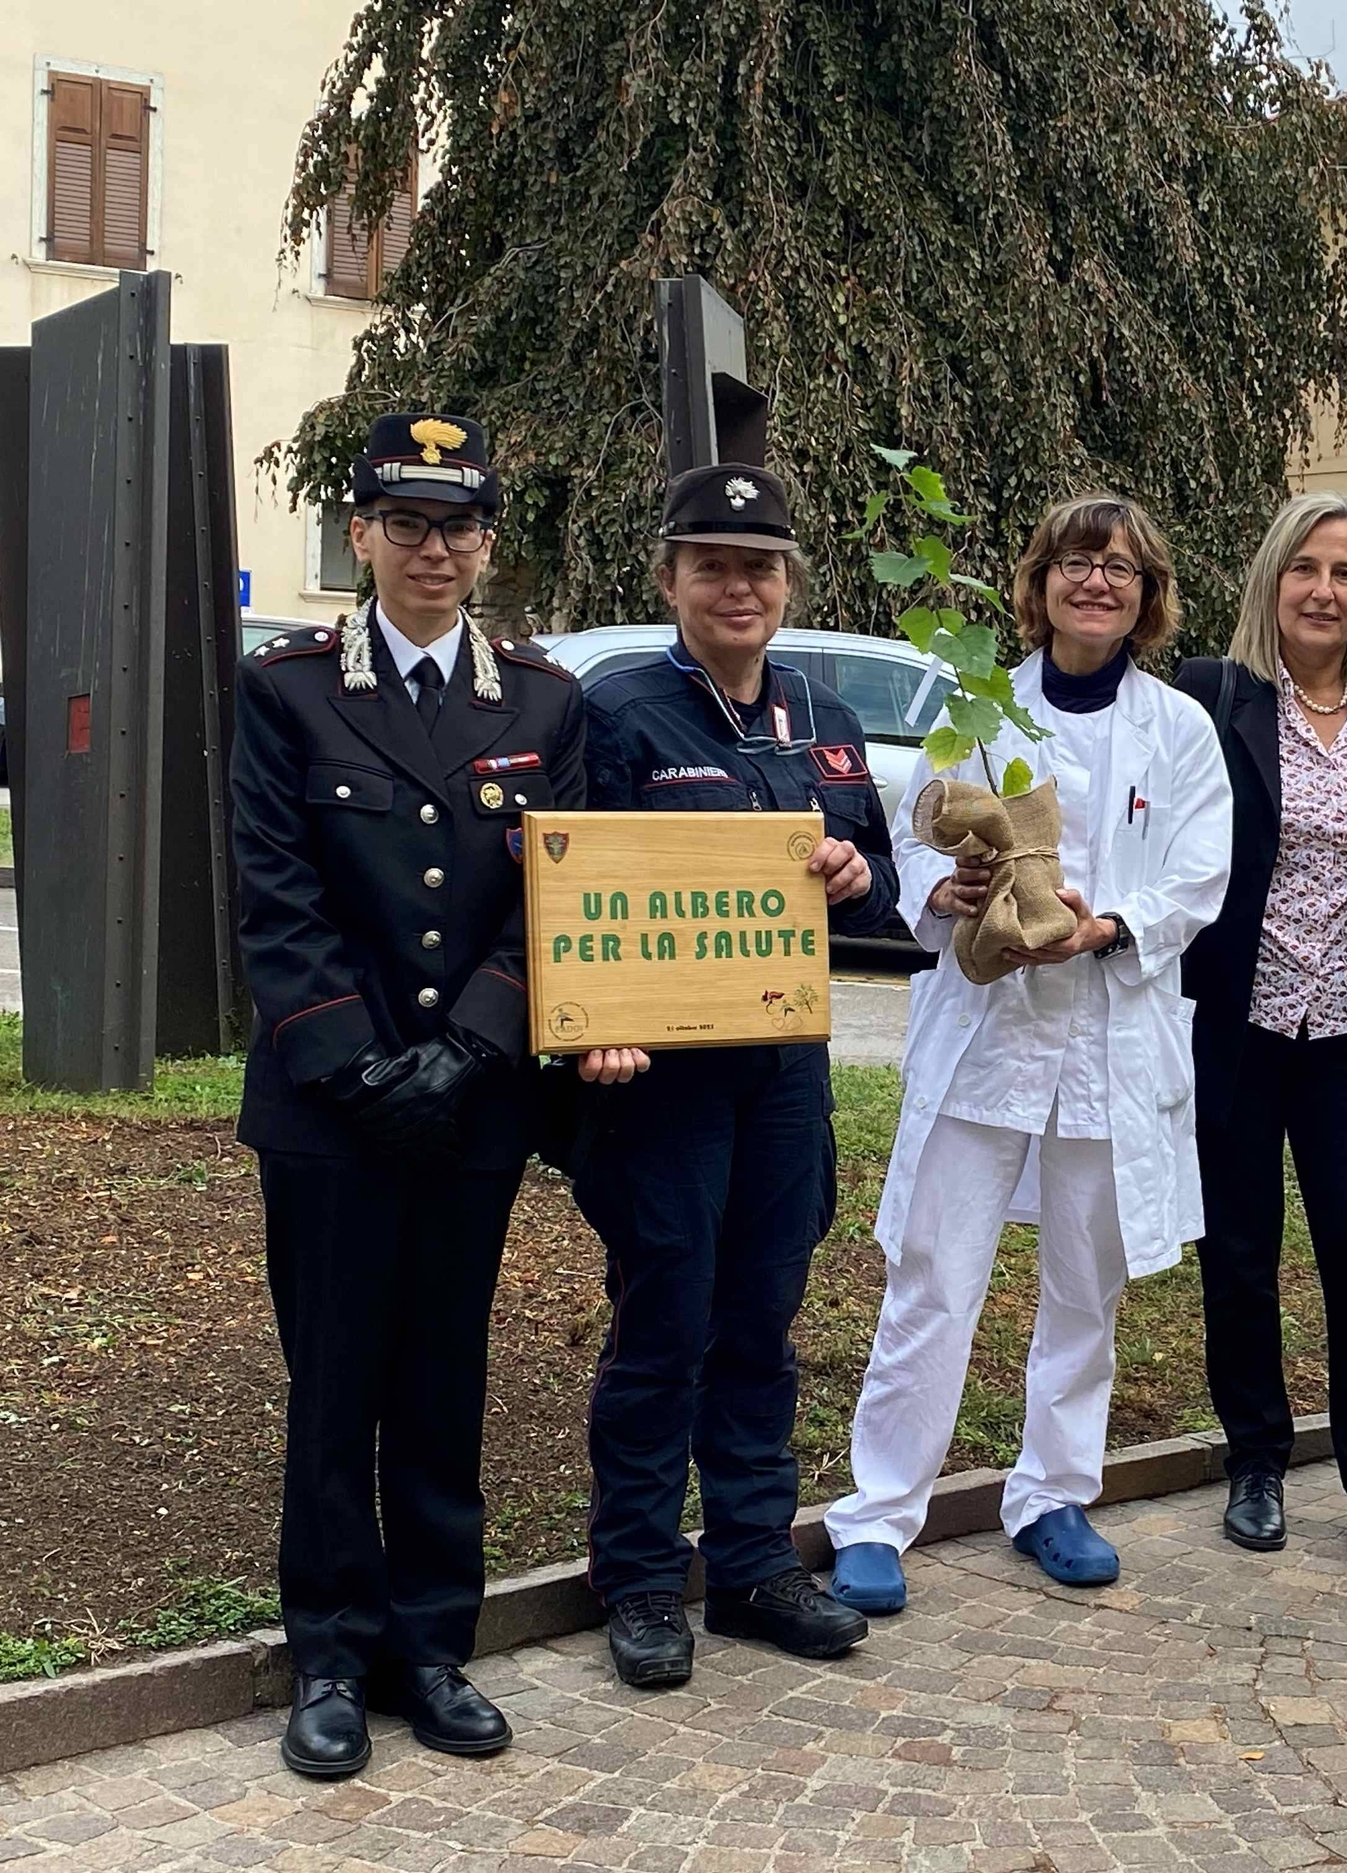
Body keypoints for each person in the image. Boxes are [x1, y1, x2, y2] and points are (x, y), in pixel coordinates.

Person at [229, 414, 585, 1779]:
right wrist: (361, 1063)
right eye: (406, 521)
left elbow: (557, 891)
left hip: (474, 1103)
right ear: (362, 532)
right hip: (331, 1106)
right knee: (334, 1382)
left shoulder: (547, 702)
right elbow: (275, 894)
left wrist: (476, 1046)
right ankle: (327, 1647)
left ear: (489, 543)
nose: (433, 547)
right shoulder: (289, 688)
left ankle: (432, 1639)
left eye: (458, 525)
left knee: (443, 1370)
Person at [821, 494, 1232, 1612]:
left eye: (1121, 569)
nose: (1096, 583)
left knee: (1084, 1288)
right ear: (1039, 579)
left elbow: (1200, 875)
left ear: (1149, 597)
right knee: (932, 1273)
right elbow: (918, 843)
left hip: (1108, 1031)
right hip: (989, 1032)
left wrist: (1107, 927)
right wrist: (947, 892)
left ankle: (1052, 1494)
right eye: (1076, 563)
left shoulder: (1179, 730)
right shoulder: (976, 709)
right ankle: (877, 1515)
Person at [568, 464, 900, 1688]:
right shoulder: (616, 709)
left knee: (762, 1318)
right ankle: (643, 1579)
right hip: (662, 1082)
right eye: (709, 563)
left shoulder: (823, 716)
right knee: (666, 1320)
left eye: (757, 564)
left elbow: (876, 889)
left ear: (787, 582)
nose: (737, 584)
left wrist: (861, 881)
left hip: (781, 1074)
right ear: (669, 580)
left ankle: (756, 1562)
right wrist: (588, 1023)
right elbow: (566, 887)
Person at [1174, 493, 1347, 1576]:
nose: (1323, 591)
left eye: (1344, 573)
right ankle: (1254, 1462)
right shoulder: (1213, 695)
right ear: (1271, 582)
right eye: (1305, 570)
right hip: (1238, 1019)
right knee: (1238, 1253)